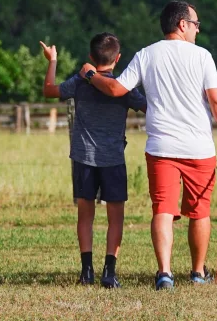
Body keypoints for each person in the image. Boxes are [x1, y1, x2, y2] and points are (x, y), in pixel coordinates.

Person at [79, 1, 217, 290]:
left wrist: (90, 74)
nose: (198, 30)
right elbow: (216, 99)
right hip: (199, 148)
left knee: (163, 209)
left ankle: (165, 272)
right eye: (196, 24)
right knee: (200, 211)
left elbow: (116, 89)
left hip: (161, 147)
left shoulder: (146, 55)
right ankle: (198, 272)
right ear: (182, 24)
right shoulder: (202, 57)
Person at [41, 32, 146, 289]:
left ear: (90, 57)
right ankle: (109, 272)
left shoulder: (79, 82)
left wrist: (52, 61)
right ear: (118, 58)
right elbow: (149, 106)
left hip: (83, 157)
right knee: (116, 218)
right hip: (112, 159)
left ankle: (86, 271)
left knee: (85, 216)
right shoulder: (124, 87)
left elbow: (49, 91)